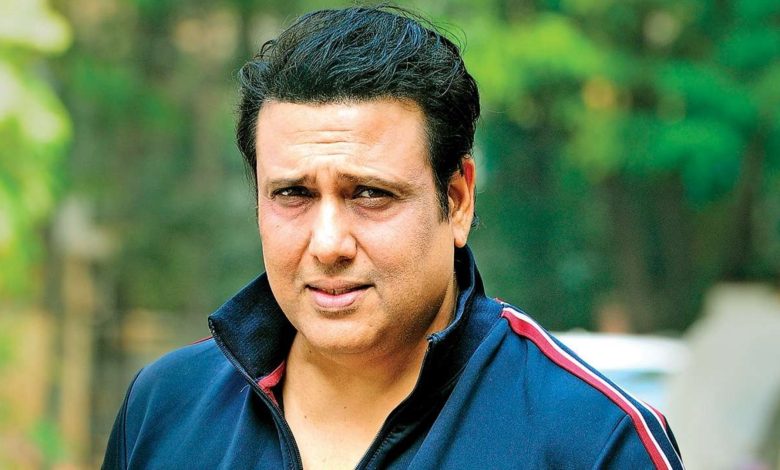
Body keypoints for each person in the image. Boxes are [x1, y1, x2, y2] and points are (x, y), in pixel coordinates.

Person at [102, 5, 684, 469]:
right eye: (293, 194)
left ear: (457, 200)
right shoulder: (166, 408)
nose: (328, 243)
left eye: (370, 194)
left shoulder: (591, 441)